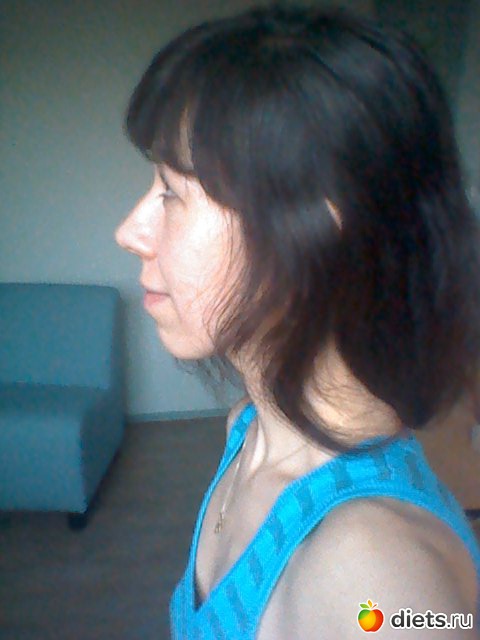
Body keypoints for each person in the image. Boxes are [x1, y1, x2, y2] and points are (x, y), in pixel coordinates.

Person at [115, 3, 480, 638]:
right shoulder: (248, 429)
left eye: (172, 192)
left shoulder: (377, 582)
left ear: (313, 232)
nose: (129, 231)